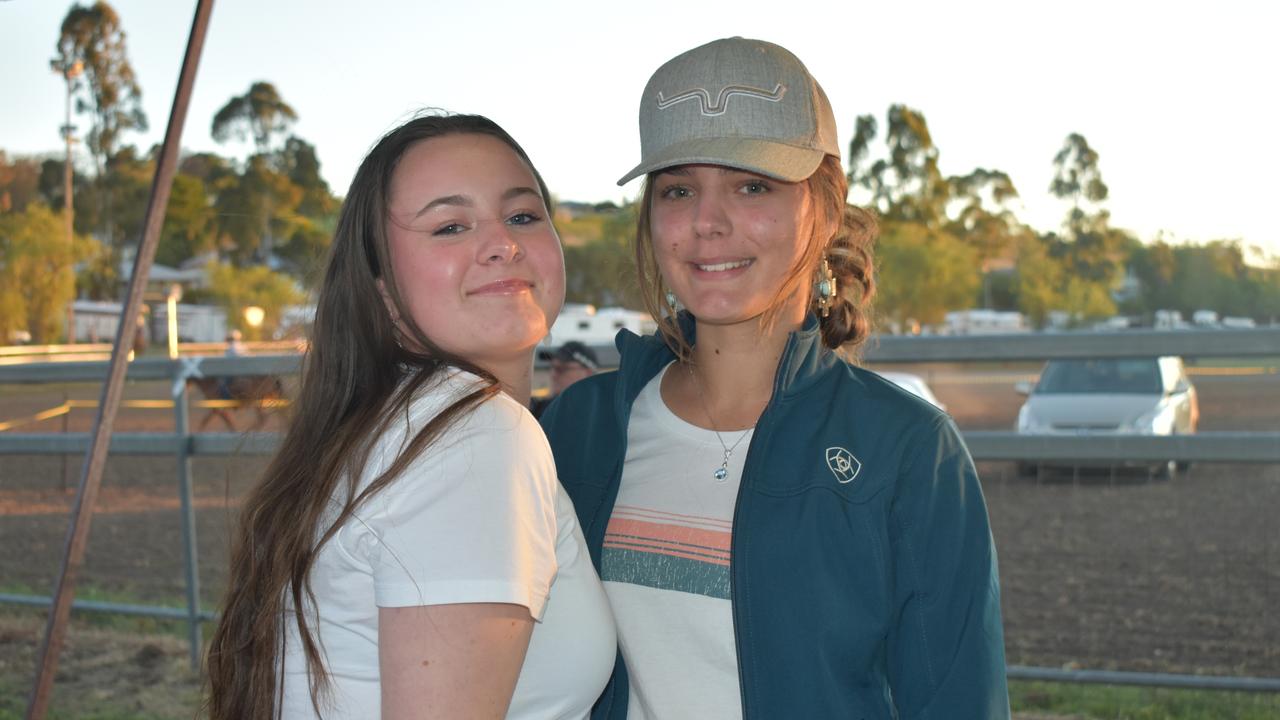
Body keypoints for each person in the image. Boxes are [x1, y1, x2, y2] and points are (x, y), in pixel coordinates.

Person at [540, 37, 1009, 718]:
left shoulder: (908, 451)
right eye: (678, 189)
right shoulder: (577, 429)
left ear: (824, 206)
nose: (708, 222)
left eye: (751, 185)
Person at [205, 114, 616, 719]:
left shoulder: (396, 426)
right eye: (450, 226)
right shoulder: (475, 436)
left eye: (523, 215)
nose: (503, 242)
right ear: (383, 291)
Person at [530, 340, 600, 418]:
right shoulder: (539, 409)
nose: (553, 375)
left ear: (588, 373)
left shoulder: (605, 411)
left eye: (561, 369)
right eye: (551, 368)